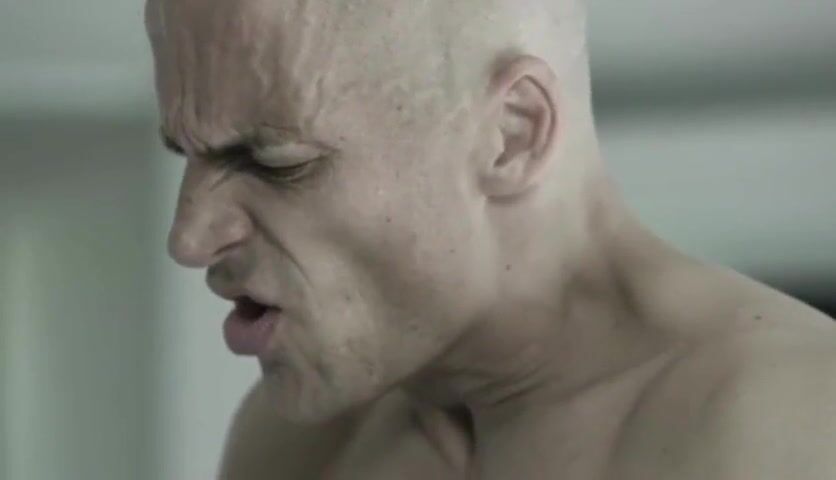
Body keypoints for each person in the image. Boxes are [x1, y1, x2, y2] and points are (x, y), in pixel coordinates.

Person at [144, 0, 836, 478]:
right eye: (188, 155)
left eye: (276, 163)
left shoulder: (790, 431)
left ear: (512, 135)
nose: (189, 238)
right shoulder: (296, 443)